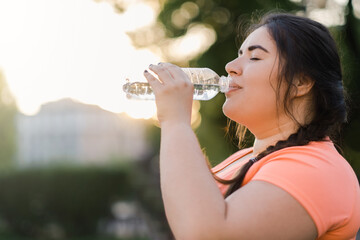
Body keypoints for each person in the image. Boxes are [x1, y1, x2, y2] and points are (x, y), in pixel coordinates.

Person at [144, 12, 360, 239]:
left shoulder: (317, 170)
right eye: (239, 55)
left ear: (301, 82)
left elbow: (207, 234)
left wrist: (176, 122)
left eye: (254, 57)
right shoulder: (246, 159)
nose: (230, 66)